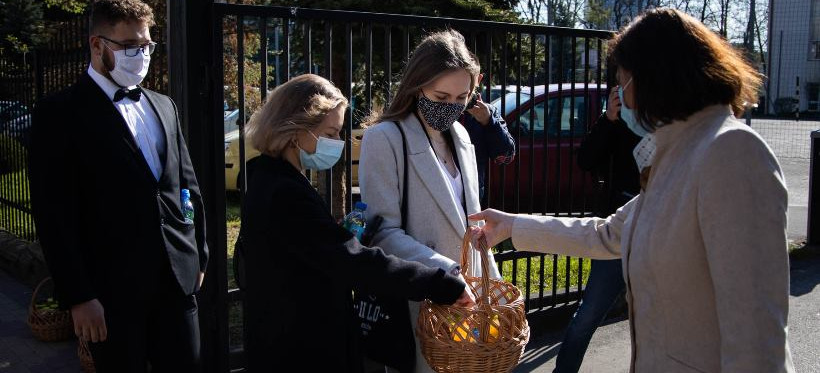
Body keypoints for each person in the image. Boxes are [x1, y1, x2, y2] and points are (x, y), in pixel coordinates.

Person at [469, 8, 794, 372]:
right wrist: (512, 226)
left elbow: (757, 339)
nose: (621, 96)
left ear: (653, 78)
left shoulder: (730, 152)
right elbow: (608, 234)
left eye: (622, 81)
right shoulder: (679, 154)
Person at [239, 73, 475, 373]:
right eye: (332, 132)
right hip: (303, 348)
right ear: (297, 129)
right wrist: (438, 283)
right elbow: (352, 262)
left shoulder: (265, 177)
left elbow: (307, 248)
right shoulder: (285, 192)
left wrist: (338, 235)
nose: (339, 142)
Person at [28, 1, 208, 371]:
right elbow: (54, 215)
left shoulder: (164, 105)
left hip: (176, 283)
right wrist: (79, 296)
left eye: (146, 45)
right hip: (111, 295)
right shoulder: (59, 113)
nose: (140, 55)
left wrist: (199, 255)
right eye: (129, 46)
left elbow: (185, 184)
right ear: (97, 46)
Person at [360, 29, 502, 373]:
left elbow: (470, 222)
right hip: (422, 302)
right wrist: (446, 272)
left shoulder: (463, 136)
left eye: (461, 98)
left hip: (470, 304)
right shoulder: (385, 139)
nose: (451, 107)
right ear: (417, 85)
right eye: (440, 96)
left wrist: (494, 285)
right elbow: (382, 232)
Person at [553, 87, 641, 373]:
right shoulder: (618, 123)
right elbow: (586, 159)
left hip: (657, 233)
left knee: (655, 321)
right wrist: (609, 119)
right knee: (588, 314)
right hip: (616, 226)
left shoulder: (670, 125)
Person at [461, 76, 515, 207]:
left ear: (478, 79)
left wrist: (489, 122)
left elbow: (506, 156)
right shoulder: (440, 109)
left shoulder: (488, 112)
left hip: (471, 193)